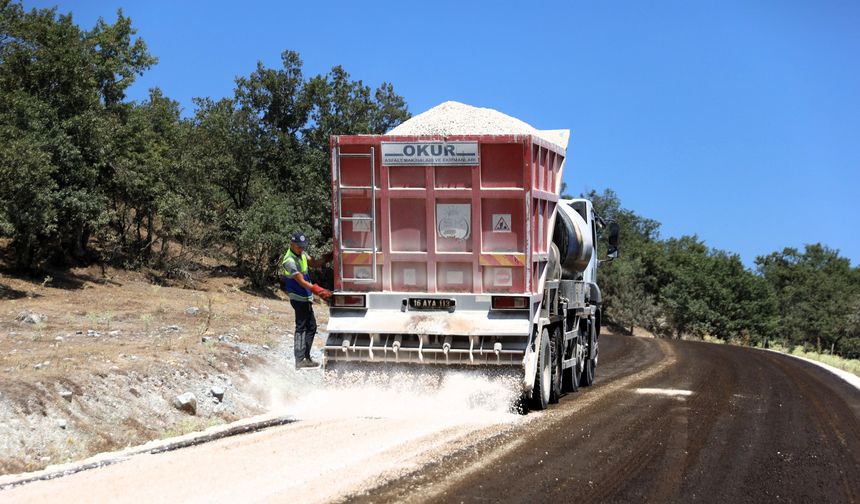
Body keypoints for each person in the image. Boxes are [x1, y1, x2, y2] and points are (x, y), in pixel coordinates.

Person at [280, 232, 332, 369]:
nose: (301, 249)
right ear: (292, 244)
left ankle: (306, 358)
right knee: (301, 327)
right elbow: (301, 281)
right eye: (298, 246)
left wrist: (330, 256)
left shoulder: (302, 254)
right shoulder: (289, 261)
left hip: (306, 297)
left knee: (312, 327)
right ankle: (299, 360)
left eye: (302, 247)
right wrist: (319, 290)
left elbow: (314, 262)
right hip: (298, 298)